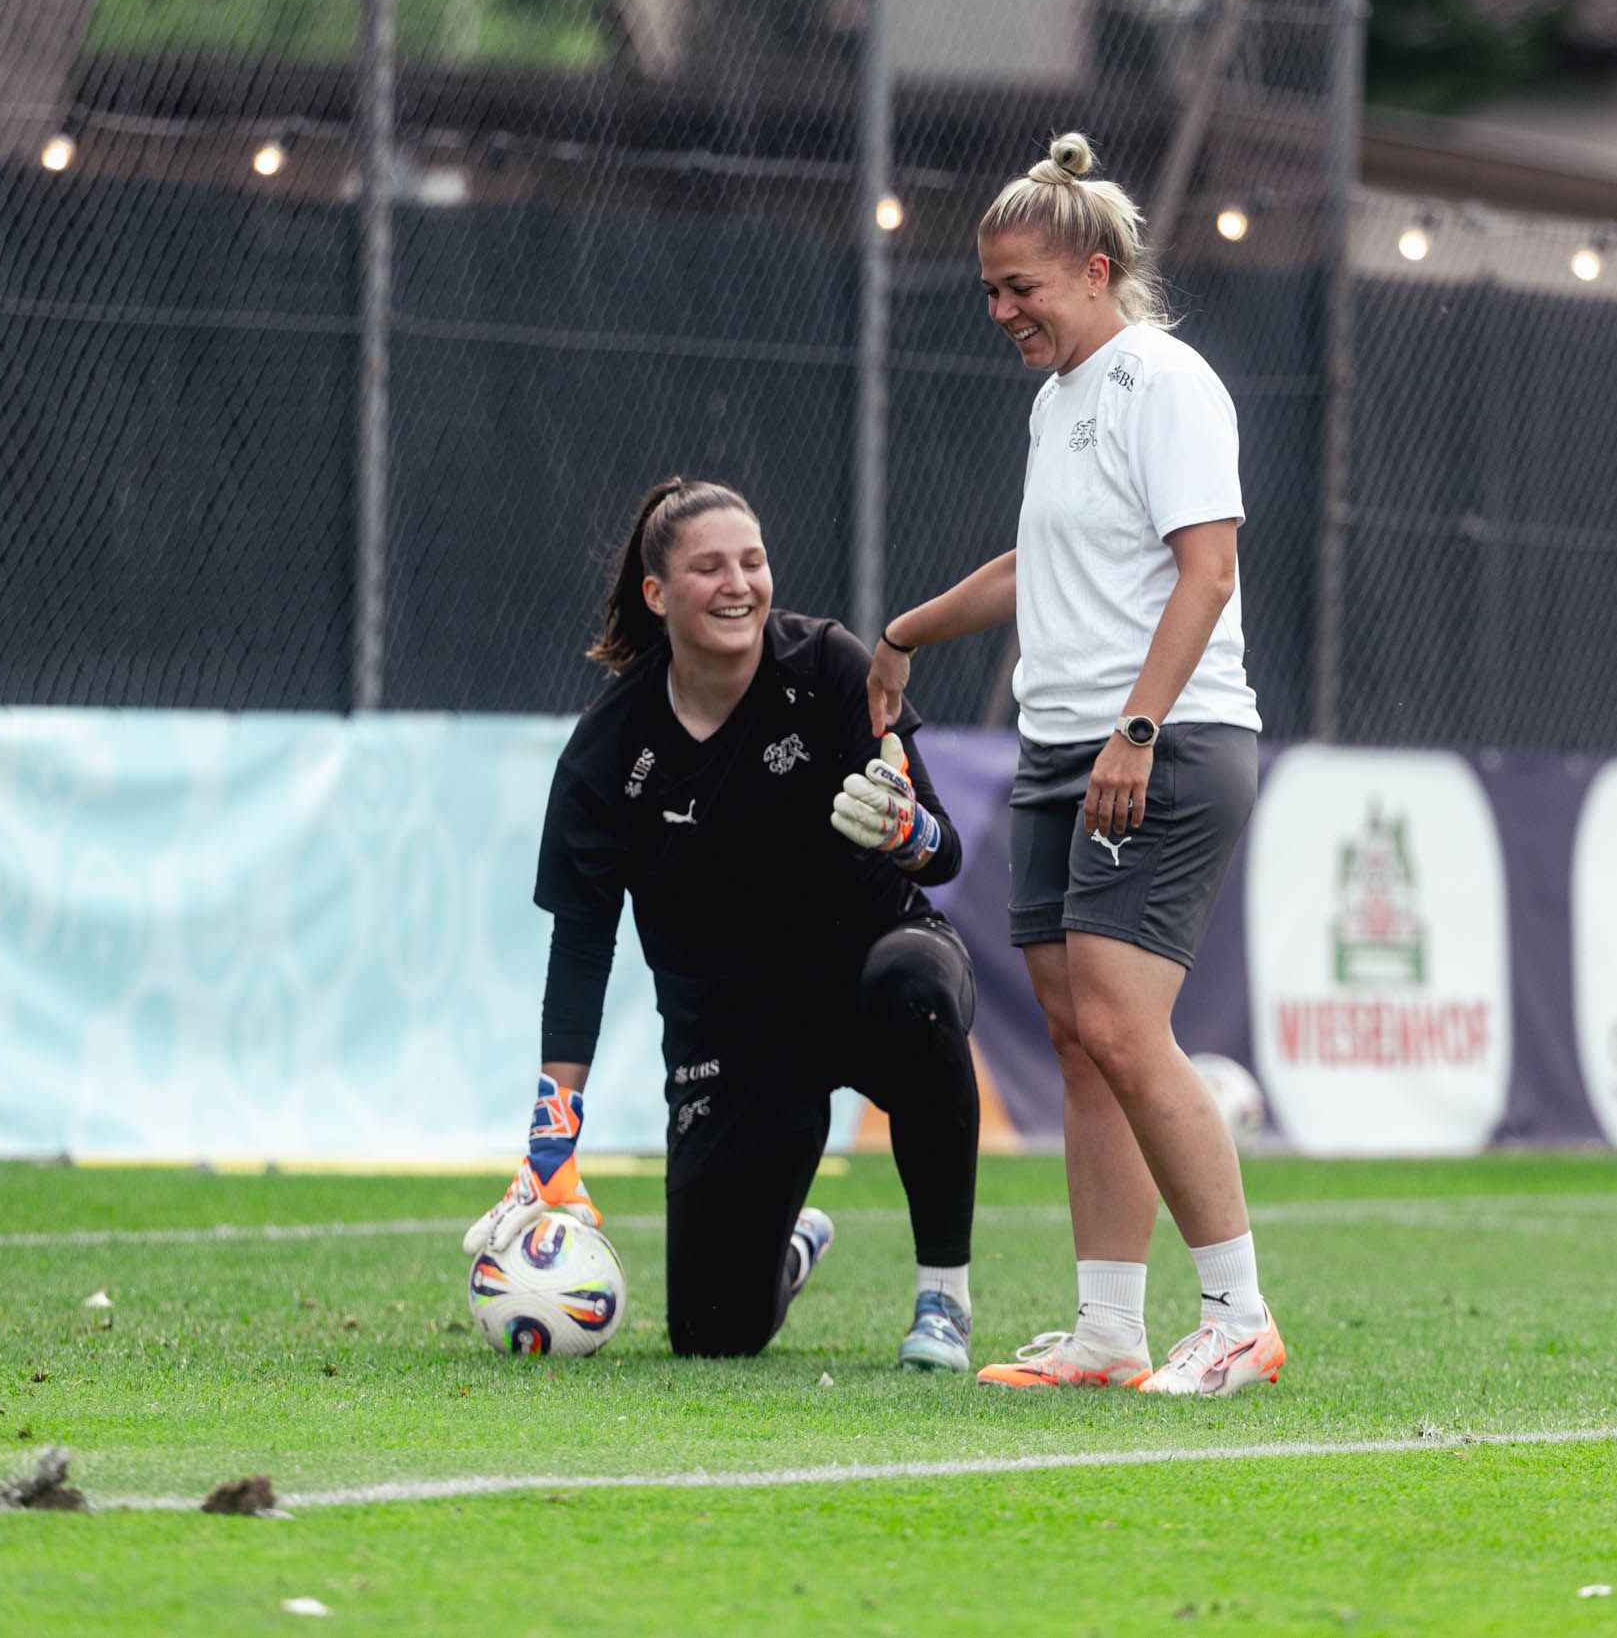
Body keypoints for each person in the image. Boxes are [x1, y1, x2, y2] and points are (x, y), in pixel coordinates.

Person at [868, 133, 1280, 1398]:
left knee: (1117, 1021)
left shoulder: (1164, 380)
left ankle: (1239, 1314)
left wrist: (1139, 730)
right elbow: (1031, 568)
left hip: (1159, 746)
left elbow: (1207, 570)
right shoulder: (1058, 401)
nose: (1001, 311)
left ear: (1095, 271)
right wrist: (901, 635)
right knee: (1076, 1036)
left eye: (1021, 288)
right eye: (990, 290)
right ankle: (1109, 1327)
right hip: (1063, 752)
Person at [464, 477, 983, 1371]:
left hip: (867, 971)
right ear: (659, 595)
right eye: (709, 567)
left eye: (753, 560)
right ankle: (787, 1240)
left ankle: (943, 1296)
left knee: (919, 992)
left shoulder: (826, 666)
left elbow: (943, 857)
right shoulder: (609, 748)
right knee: (711, 1334)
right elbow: (582, 943)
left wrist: (909, 829)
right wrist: (553, 1132)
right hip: (733, 1033)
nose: (739, 582)